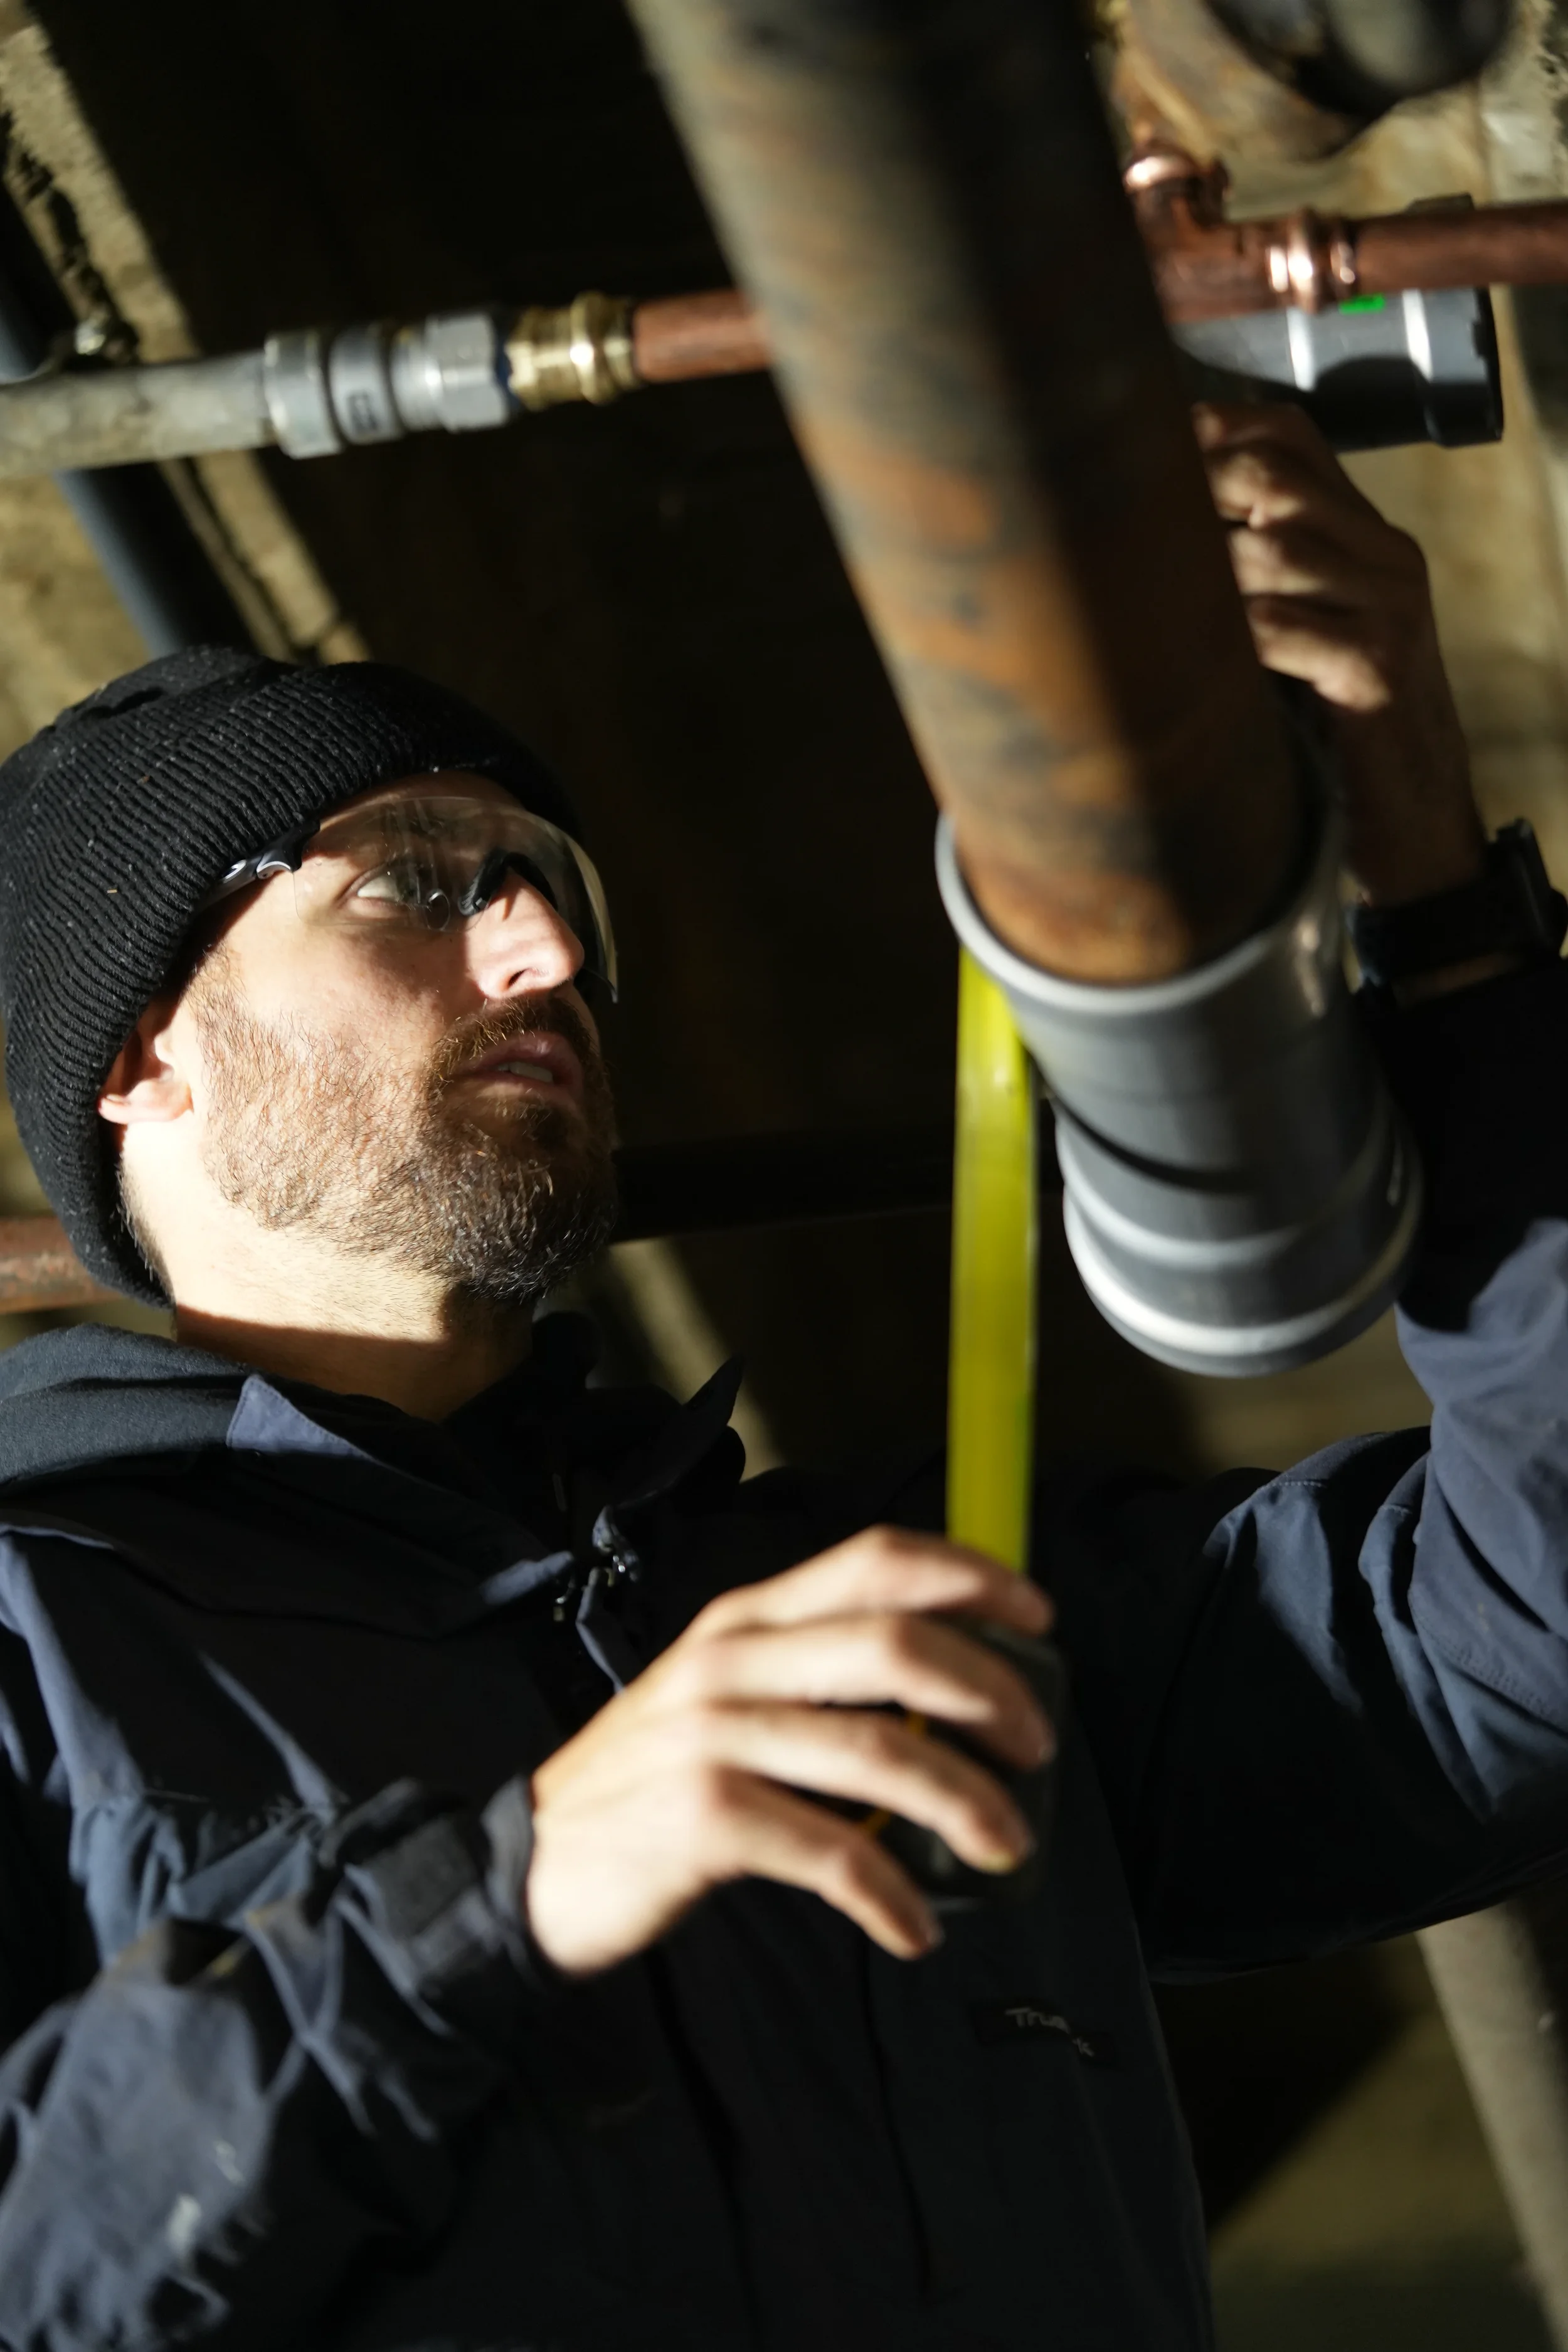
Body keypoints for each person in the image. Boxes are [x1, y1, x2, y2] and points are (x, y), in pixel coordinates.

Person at [0, 402, 1562, 2352]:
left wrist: (1432, 886)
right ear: (143, 1051)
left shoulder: (884, 1596)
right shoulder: (38, 1631)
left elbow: (1514, 1638)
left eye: (551, 882)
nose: (549, 946)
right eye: (414, 880)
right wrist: (515, 1881)